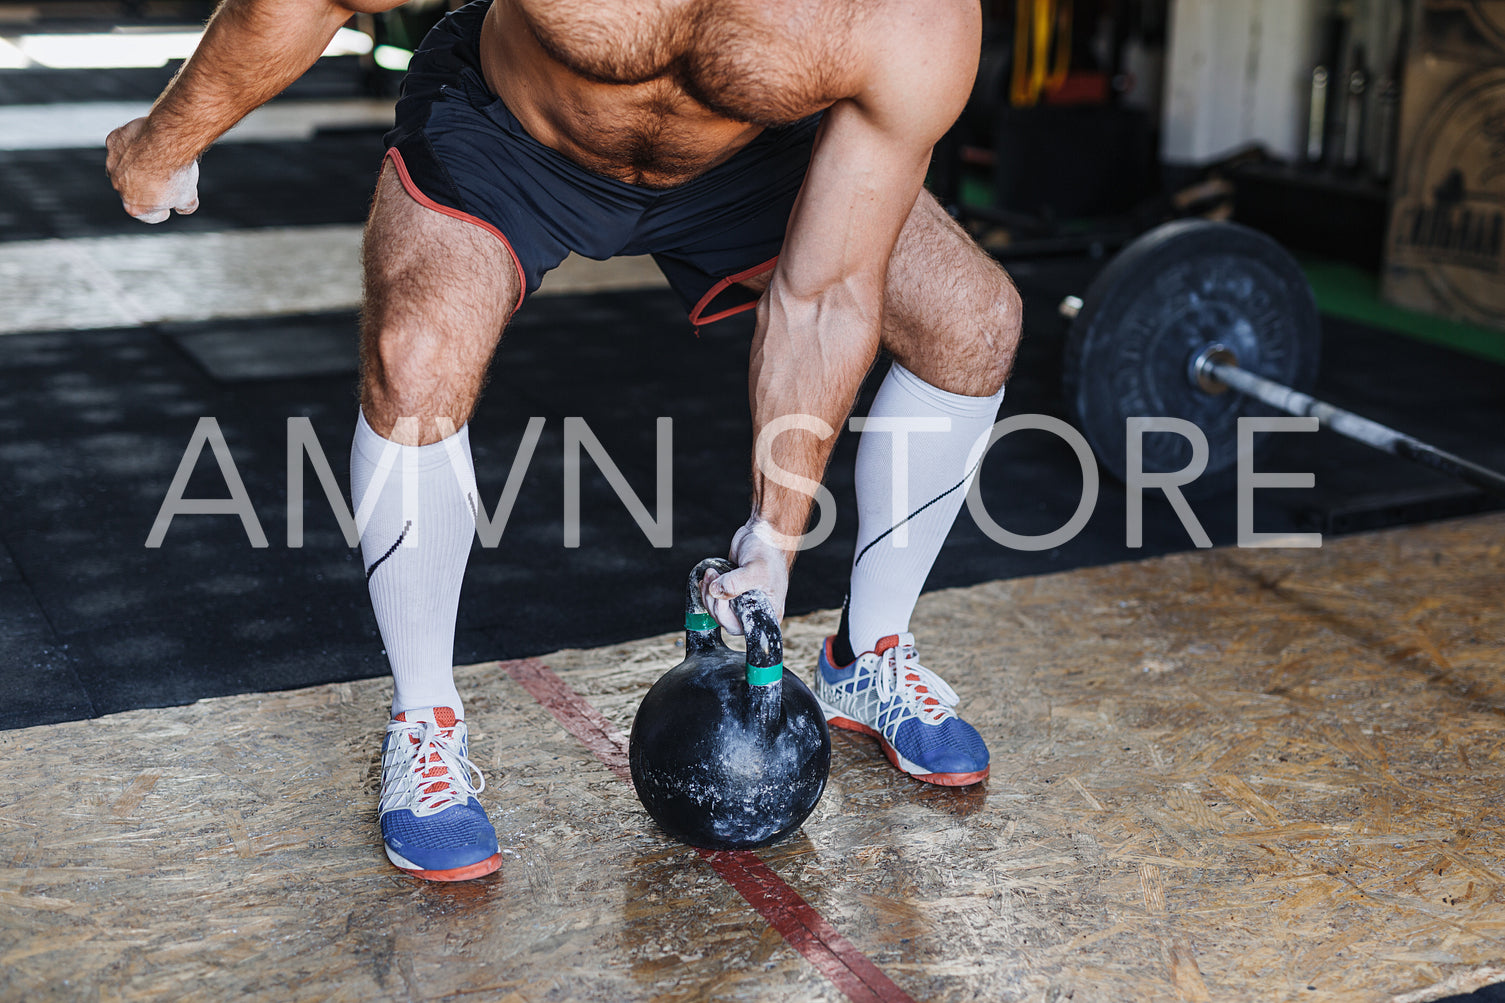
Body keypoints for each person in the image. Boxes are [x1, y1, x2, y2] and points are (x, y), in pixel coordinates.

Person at [107, 0, 1022, 882]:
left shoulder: (909, 18)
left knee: (972, 324)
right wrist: (167, 138)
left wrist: (773, 541)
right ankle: (424, 715)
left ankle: (867, 654)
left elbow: (824, 298)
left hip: (751, 159)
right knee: (416, 355)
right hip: (514, 132)